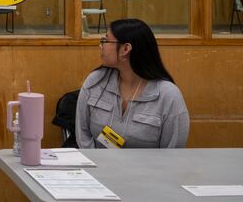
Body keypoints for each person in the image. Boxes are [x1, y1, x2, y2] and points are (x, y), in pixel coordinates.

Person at [76, 18, 189, 149]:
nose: (101, 45)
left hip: (149, 169)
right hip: (98, 167)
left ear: (125, 49)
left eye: (106, 41)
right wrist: (98, 166)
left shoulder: (168, 95)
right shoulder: (95, 81)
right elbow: (82, 134)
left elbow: (173, 151)